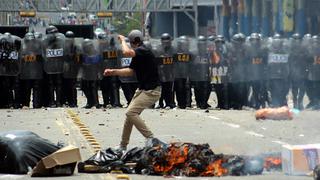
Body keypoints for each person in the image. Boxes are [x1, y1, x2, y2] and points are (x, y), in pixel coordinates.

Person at [103, 29, 160, 151]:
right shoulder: (138, 54)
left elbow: (126, 52)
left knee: (131, 113)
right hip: (143, 90)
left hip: (152, 91)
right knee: (129, 116)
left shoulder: (143, 50)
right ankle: (123, 146)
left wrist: (123, 40)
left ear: (133, 42)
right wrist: (114, 72)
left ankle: (151, 138)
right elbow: (130, 71)